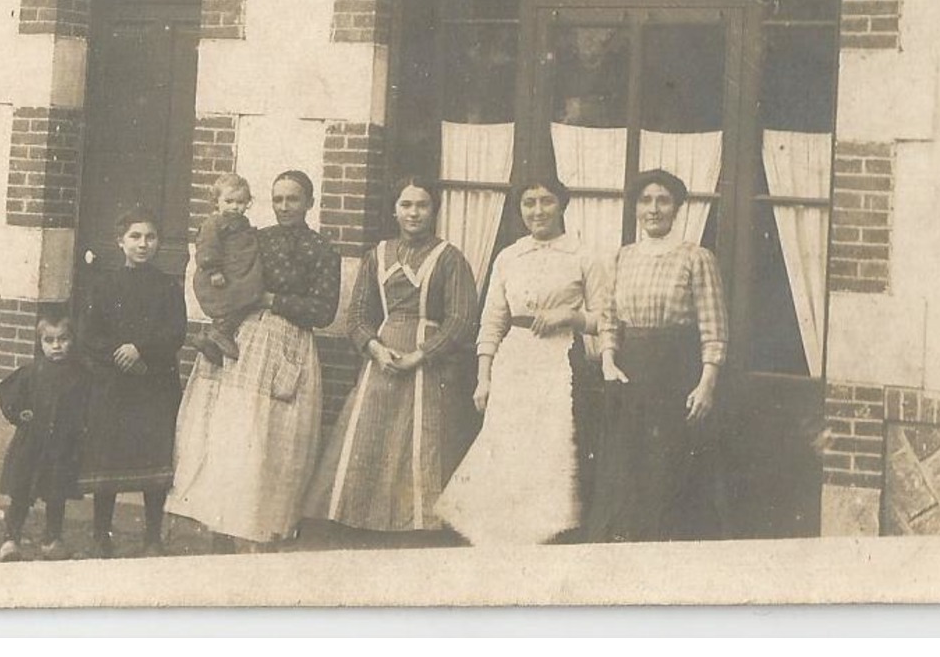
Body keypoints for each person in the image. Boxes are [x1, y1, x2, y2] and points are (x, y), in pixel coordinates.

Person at [169, 170, 340, 548]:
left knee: (271, 437)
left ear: (310, 203)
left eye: (292, 199)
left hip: (289, 342)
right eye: (277, 199)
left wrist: (272, 301)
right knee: (233, 431)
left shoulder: (323, 250)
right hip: (244, 338)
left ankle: (262, 528)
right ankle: (221, 524)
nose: (284, 207)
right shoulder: (255, 238)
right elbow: (223, 265)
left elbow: (324, 310)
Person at [303, 176, 480, 536]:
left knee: (421, 437)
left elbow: (462, 318)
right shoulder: (377, 255)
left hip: (428, 362)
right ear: (394, 211)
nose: (414, 213)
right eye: (406, 205)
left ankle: (416, 522)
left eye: (422, 205)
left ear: (434, 211)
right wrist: (375, 349)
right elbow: (357, 316)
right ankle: (362, 519)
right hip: (381, 357)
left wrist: (422, 355)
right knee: (369, 432)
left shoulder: (449, 258)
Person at [435, 176, 605, 545]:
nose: (538, 211)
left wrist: (570, 317)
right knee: (506, 442)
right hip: (514, 359)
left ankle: (543, 532)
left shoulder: (583, 255)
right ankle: (501, 533)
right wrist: (484, 377)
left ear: (562, 205)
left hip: (559, 360)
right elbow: (492, 320)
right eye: (529, 203)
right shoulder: (509, 256)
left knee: (550, 443)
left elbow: (605, 319)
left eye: (546, 201)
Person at [584, 168, 728, 543]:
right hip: (630, 375)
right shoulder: (622, 257)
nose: (654, 209)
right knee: (626, 471)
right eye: (646, 201)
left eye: (663, 200)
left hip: (676, 375)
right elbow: (609, 320)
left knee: (669, 472)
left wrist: (706, 385)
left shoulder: (696, 258)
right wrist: (609, 361)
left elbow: (713, 330)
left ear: (677, 207)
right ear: (635, 208)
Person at [75, 207, 188, 558]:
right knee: (107, 460)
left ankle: (152, 536)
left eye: (150, 237)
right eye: (135, 237)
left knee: (153, 460)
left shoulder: (168, 286)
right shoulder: (103, 284)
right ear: (120, 242)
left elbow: (175, 333)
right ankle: (100, 534)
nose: (143, 244)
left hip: (153, 384)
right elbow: (88, 334)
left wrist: (142, 351)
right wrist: (119, 355)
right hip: (113, 384)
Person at [0, 310, 89, 562]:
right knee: (21, 494)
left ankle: (52, 539)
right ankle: (11, 539)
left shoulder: (79, 376)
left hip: (61, 447)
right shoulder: (31, 372)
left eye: (63, 339)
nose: (56, 346)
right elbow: (7, 393)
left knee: (56, 494)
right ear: (40, 343)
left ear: (72, 340)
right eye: (49, 341)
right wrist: (19, 413)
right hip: (31, 445)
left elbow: (86, 406)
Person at [191, 173, 265, 365]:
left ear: (248, 202)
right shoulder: (214, 223)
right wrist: (213, 269)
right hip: (222, 274)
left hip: (238, 273)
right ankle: (219, 332)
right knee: (232, 302)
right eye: (229, 201)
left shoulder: (242, 223)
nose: (234, 207)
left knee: (246, 298)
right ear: (217, 202)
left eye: (240, 202)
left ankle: (209, 341)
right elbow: (208, 246)